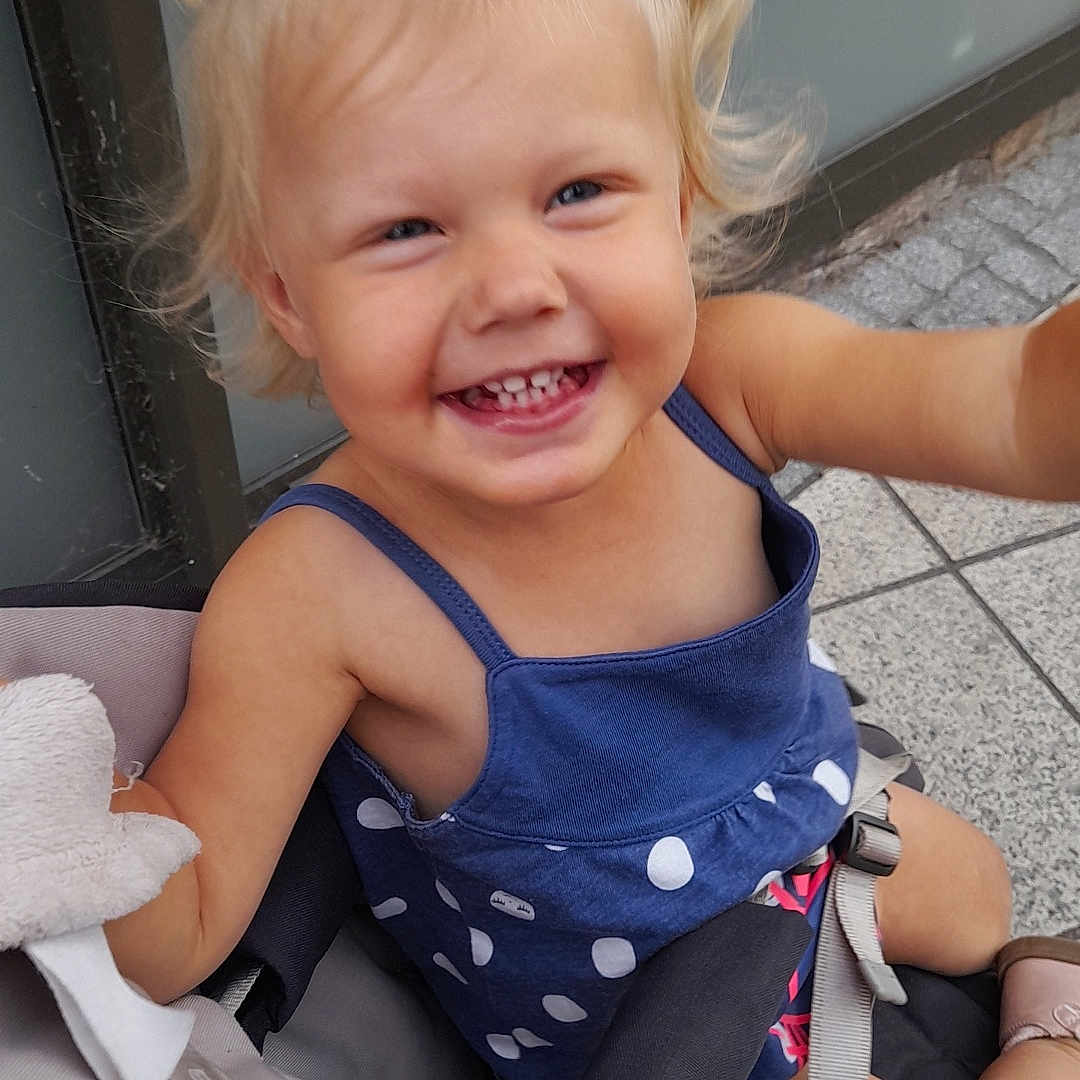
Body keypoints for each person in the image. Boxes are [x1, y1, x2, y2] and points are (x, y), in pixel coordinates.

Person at [81, 0, 1080, 1077]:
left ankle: (1033, 985)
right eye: (406, 230)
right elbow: (175, 923)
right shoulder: (318, 587)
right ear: (289, 295)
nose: (514, 287)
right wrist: (49, 816)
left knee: (977, 891)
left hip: (809, 836)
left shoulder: (731, 386)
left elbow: (1019, 410)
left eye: (577, 193)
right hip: (653, 1034)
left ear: (681, 202)